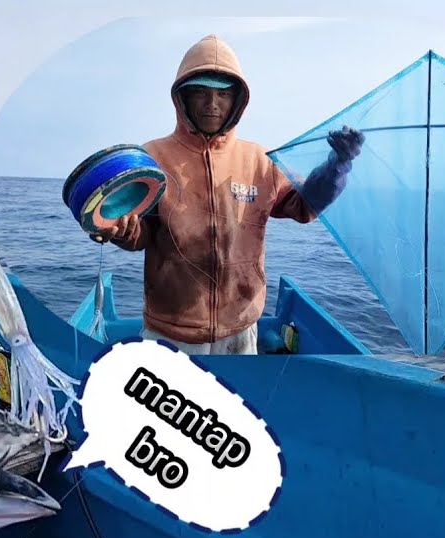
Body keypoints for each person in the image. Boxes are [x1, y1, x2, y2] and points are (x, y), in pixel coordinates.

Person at [93, 34, 363, 355]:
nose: (212, 104)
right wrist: (124, 231)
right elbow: (142, 233)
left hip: (240, 329)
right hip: (170, 332)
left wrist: (337, 164)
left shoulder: (260, 160)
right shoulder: (152, 157)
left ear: (237, 101)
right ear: (182, 98)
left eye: (223, 94)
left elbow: (304, 205)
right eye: (201, 93)